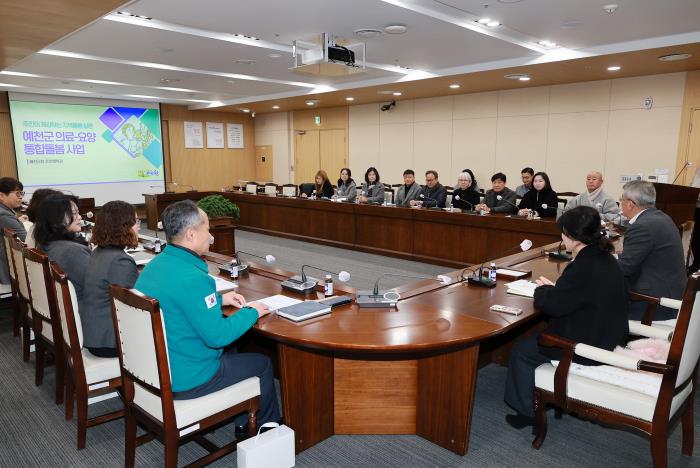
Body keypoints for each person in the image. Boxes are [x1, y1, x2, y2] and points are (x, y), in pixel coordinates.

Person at [134, 200, 280, 428]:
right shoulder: (194, 278)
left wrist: (220, 300)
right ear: (191, 234)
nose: (211, 237)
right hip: (188, 378)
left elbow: (177, 302)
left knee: (234, 349)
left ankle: (243, 420)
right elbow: (218, 337)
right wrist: (251, 311)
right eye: (207, 229)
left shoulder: (155, 266)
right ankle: (265, 428)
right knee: (262, 363)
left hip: (155, 369)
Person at [503, 206, 629, 428]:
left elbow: (552, 306)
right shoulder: (605, 256)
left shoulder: (583, 265)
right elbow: (580, 294)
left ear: (572, 236)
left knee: (522, 351)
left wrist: (542, 290)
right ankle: (543, 394)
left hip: (588, 345)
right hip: (609, 333)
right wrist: (558, 290)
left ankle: (527, 412)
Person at [617, 180, 687, 320]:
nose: (620, 203)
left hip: (654, 303)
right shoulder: (662, 217)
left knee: (598, 300)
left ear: (630, 204)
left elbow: (624, 269)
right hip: (673, 293)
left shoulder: (641, 226)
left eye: (621, 199)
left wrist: (600, 262)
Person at [80, 201, 140, 358]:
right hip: (109, 341)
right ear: (124, 227)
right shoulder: (120, 261)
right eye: (136, 221)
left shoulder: (98, 252)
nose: (138, 227)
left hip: (95, 333)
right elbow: (135, 305)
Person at [34, 194, 91, 300]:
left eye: (78, 212)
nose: (80, 217)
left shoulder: (45, 243)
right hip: (83, 305)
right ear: (57, 218)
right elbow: (95, 286)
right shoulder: (75, 252)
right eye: (74, 213)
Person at [0, 177, 27, 292]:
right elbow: (26, 239)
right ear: (1, 195)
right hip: (6, 269)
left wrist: (17, 221)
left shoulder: (5, 211)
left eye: (21, 193)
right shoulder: (3, 215)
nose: (21, 197)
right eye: (17, 193)